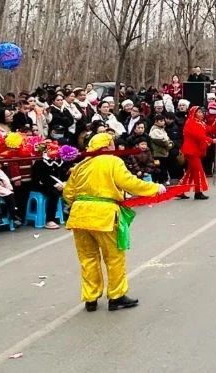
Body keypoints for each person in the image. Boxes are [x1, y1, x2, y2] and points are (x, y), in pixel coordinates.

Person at [64, 132, 165, 311]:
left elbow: (68, 193)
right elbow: (130, 183)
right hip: (104, 216)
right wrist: (155, 187)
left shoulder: (80, 165)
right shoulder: (112, 161)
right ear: (107, 145)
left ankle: (91, 298)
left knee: (88, 259)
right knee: (114, 258)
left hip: (79, 216)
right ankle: (116, 296)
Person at [179, 106, 211, 200]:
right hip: (191, 151)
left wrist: (215, 122)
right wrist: (212, 140)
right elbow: (199, 136)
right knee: (198, 171)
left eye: (202, 112)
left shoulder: (200, 122)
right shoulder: (191, 123)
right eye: (199, 112)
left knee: (191, 172)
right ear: (194, 113)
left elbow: (208, 129)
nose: (202, 114)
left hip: (195, 150)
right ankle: (198, 192)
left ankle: (180, 190)